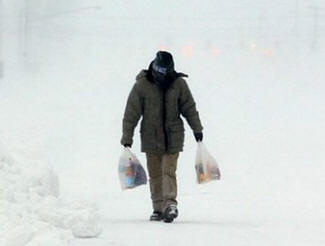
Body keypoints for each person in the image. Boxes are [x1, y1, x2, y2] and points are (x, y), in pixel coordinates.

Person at [121, 51, 203, 223]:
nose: (162, 75)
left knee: (168, 171)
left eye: (165, 71)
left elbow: (189, 107)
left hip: (173, 137)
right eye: (159, 70)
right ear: (154, 67)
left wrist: (197, 129)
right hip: (150, 137)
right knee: (156, 174)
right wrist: (127, 137)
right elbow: (131, 113)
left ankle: (170, 205)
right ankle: (158, 209)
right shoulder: (142, 85)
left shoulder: (179, 84)